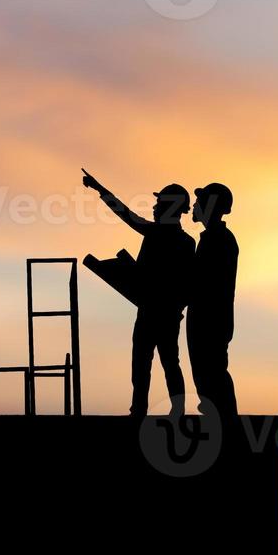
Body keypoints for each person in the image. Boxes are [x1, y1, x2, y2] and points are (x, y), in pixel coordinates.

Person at [83, 171, 195, 417]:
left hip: (157, 313)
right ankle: (163, 410)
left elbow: (126, 215)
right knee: (159, 363)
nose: (154, 207)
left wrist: (100, 189)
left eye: (159, 203)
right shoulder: (183, 241)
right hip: (159, 312)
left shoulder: (165, 236)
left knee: (153, 363)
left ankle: (147, 411)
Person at [188, 182, 238, 419]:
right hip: (207, 318)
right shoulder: (214, 238)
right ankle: (218, 418)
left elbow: (205, 281)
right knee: (207, 376)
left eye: (199, 201)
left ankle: (225, 423)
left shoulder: (219, 240)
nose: (194, 205)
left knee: (212, 374)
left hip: (210, 320)